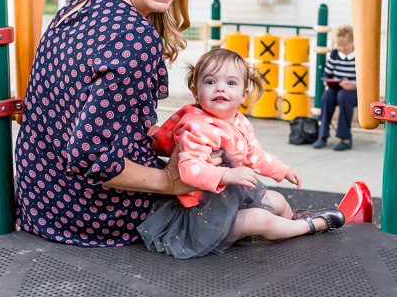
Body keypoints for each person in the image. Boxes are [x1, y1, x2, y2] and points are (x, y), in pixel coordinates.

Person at [14, 0, 208, 246]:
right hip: (98, 214)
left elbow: (77, 113)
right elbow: (91, 155)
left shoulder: (78, 6)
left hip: (42, 202)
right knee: (234, 189)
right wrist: (169, 181)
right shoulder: (134, 37)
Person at [138, 48, 346, 259]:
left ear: (244, 94)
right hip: (199, 216)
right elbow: (189, 169)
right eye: (210, 82)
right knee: (261, 219)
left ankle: (290, 225)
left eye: (231, 83)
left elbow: (254, 154)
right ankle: (307, 226)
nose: (220, 88)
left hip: (225, 201)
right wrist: (226, 175)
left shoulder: (238, 121)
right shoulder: (197, 128)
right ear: (195, 92)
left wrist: (283, 170)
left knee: (278, 200)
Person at [313, 25, 357, 151]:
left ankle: (345, 138)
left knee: (343, 96)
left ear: (353, 42)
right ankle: (322, 134)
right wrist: (328, 82)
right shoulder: (334, 54)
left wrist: (354, 85)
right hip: (337, 88)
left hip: (354, 91)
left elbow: (366, 79)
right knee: (327, 96)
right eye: (339, 45)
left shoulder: (359, 55)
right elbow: (326, 74)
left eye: (345, 46)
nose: (342, 49)